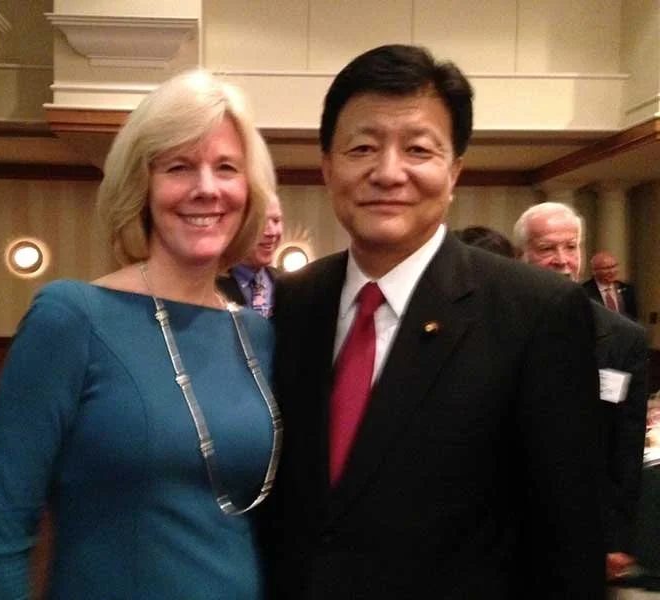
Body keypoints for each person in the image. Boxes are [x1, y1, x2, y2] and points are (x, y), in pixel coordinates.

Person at [266, 44, 605, 599]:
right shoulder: (294, 301)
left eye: (418, 149)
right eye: (362, 148)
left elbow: (569, 539)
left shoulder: (535, 311)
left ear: (454, 173)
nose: (387, 172)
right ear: (328, 167)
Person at [0, 69, 282, 600]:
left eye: (226, 167)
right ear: (142, 186)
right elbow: (0, 537)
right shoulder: (71, 318)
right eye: (179, 166)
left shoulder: (255, 334)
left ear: (248, 190)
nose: (207, 188)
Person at [513, 202, 649, 585]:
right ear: (521, 255)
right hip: (502, 520)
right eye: (546, 248)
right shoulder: (491, 324)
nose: (562, 259)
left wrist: (616, 537)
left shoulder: (623, 338)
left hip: (582, 522)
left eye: (571, 247)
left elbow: (626, 446)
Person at [218, 194, 283, 316]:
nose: (272, 232)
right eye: (260, 222)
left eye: (276, 221)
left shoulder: (288, 285)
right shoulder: (209, 287)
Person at [583, 250, 639, 320]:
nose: (612, 271)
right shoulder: (584, 291)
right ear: (594, 271)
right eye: (606, 268)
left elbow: (633, 318)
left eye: (614, 266)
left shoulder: (627, 289)